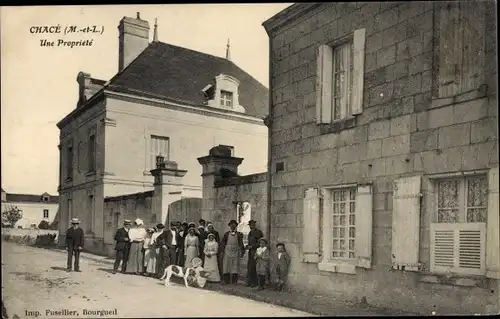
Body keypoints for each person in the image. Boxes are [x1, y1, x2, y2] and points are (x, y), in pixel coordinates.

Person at [221, 219, 245, 285]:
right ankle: (226, 281)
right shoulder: (226, 234)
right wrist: (222, 251)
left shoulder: (239, 234)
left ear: (236, 226)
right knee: (226, 265)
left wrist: (242, 251)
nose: (233, 226)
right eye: (231, 225)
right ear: (230, 226)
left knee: (235, 266)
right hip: (227, 251)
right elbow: (223, 243)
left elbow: (241, 243)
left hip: (235, 251)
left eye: (234, 225)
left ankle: (234, 281)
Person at [246, 220, 263, 287]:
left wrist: (252, 246)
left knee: (254, 266)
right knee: (250, 266)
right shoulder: (250, 233)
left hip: (256, 251)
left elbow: (260, 243)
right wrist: (248, 246)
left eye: (252, 224)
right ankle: (250, 281)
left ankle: (255, 282)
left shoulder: (258, 232)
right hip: (251, 251)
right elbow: (249, 242)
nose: (251, 226)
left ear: (254, 225)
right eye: (250, 225)